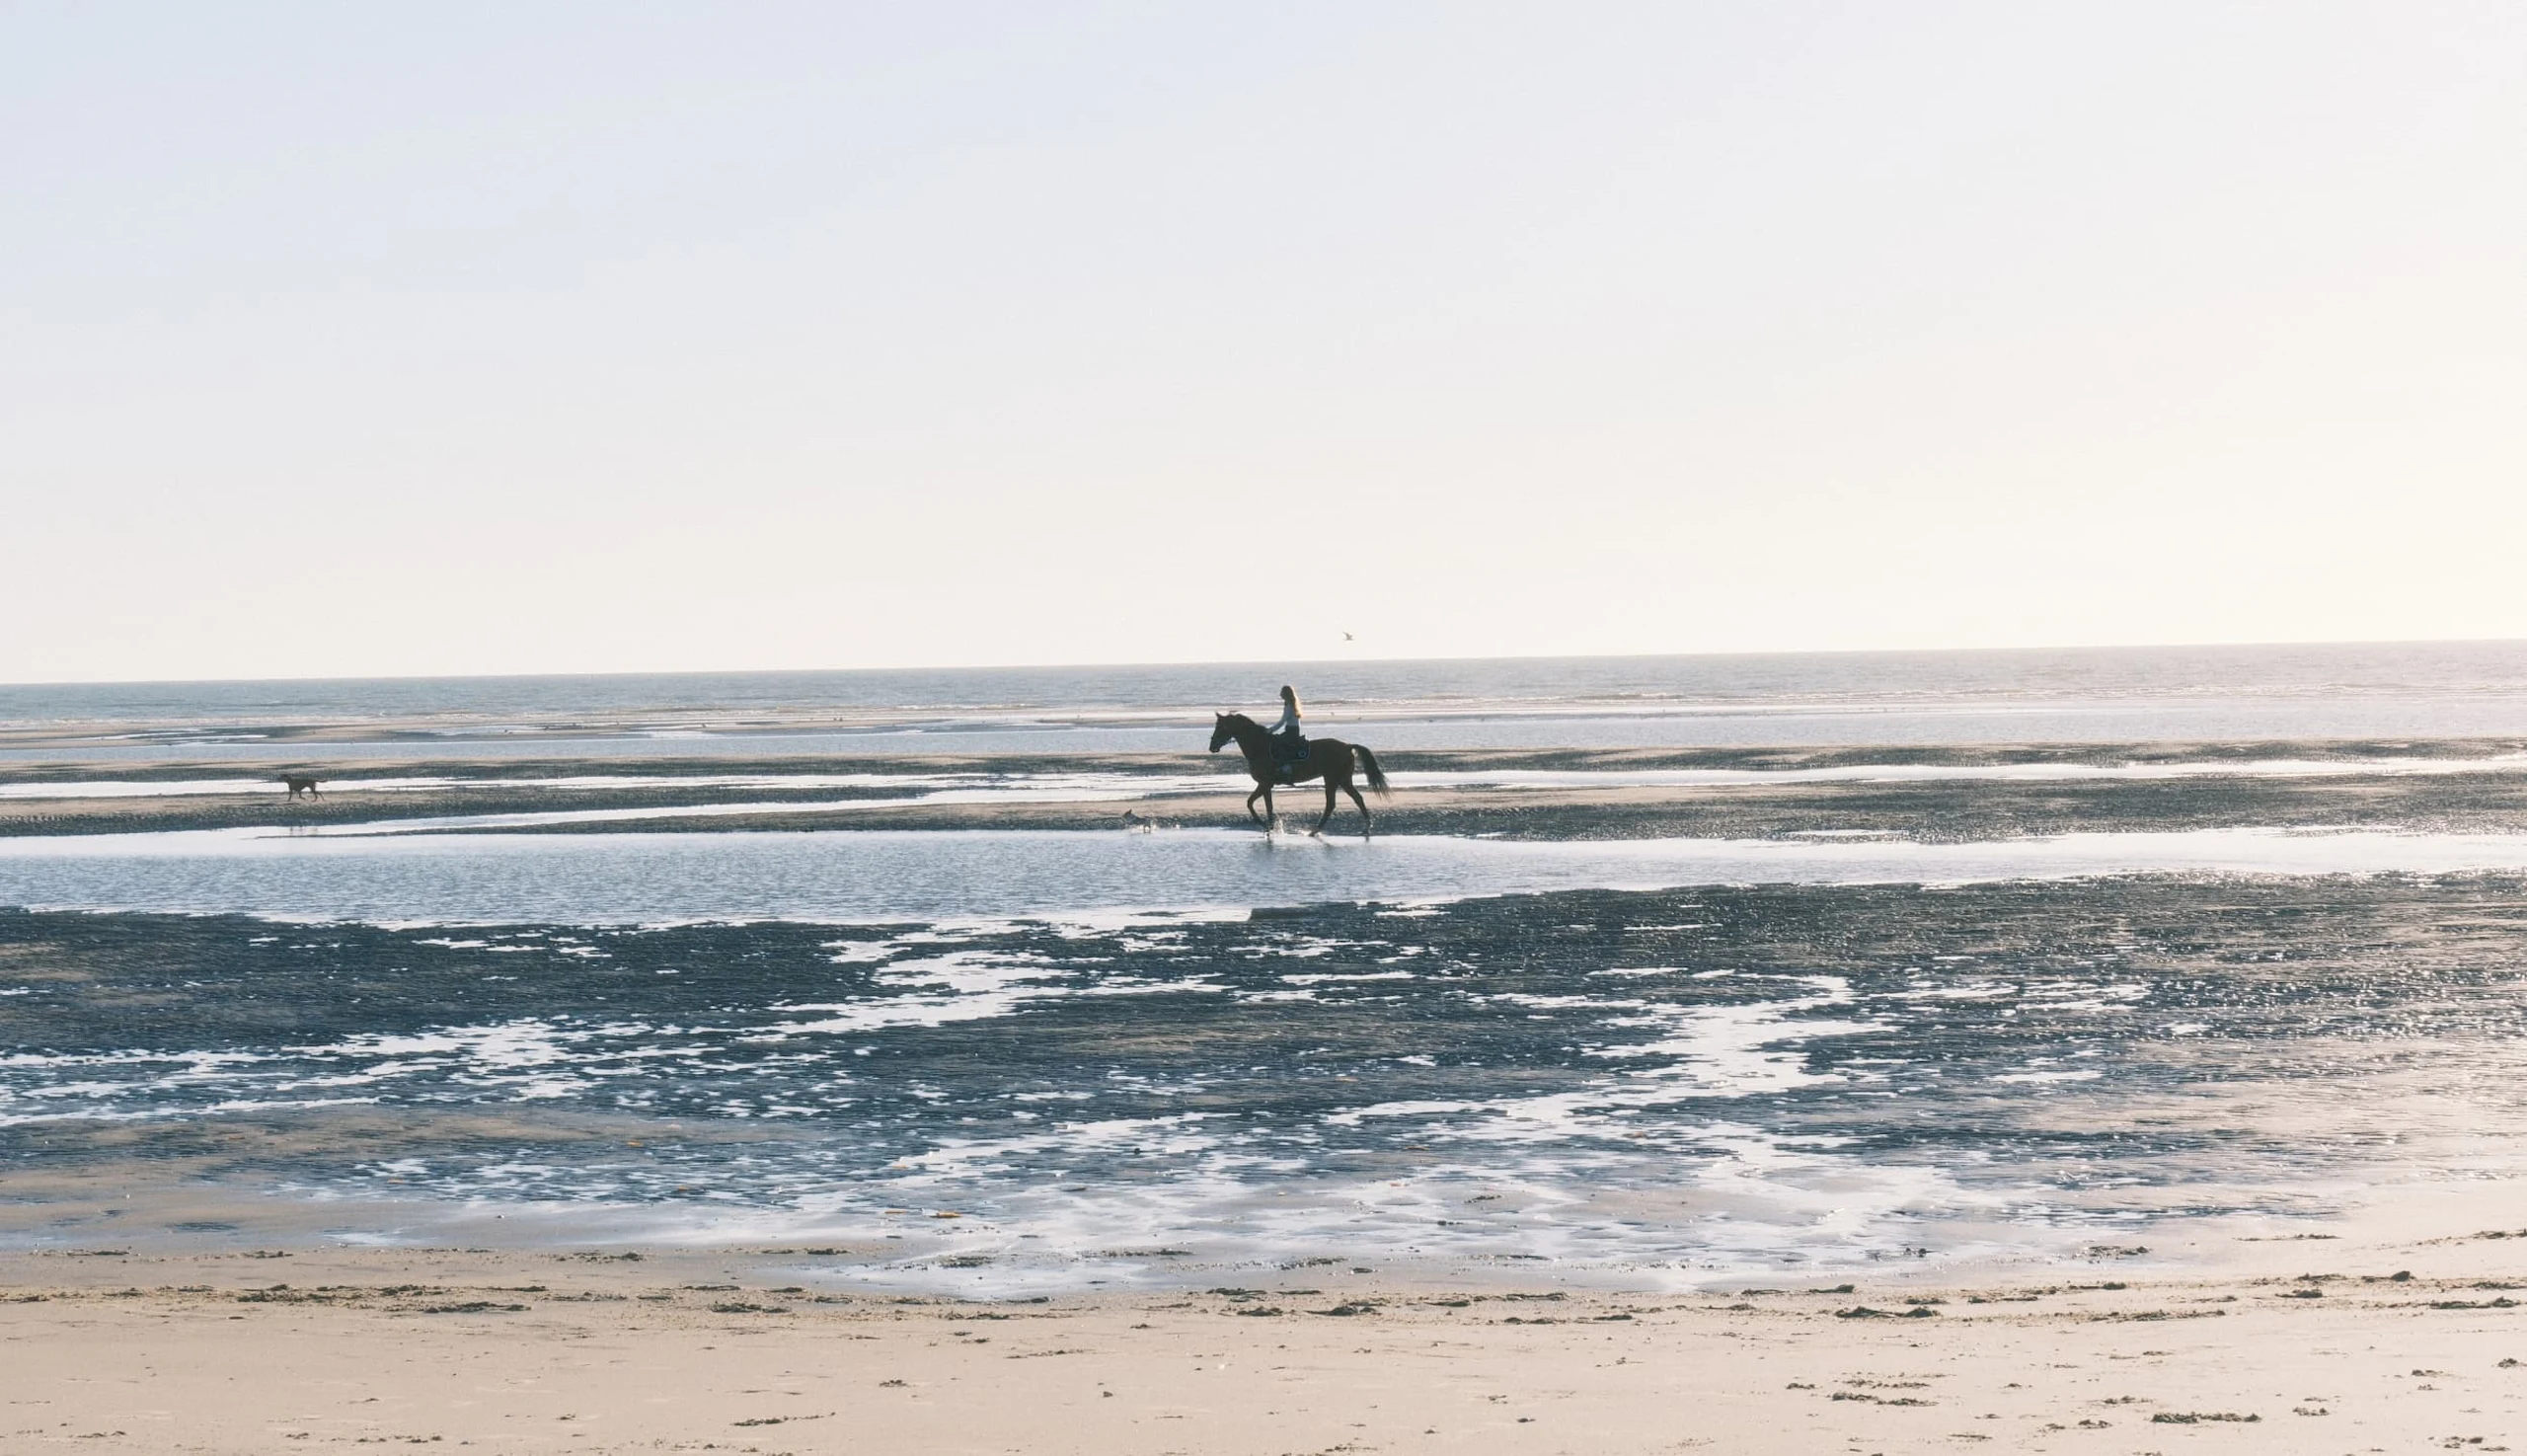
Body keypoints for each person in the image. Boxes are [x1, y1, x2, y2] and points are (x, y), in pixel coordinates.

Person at [1268, 685, 1306, 765]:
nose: (1280, 695)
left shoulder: (1289, 707)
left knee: (1277, 742)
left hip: (1291, 732)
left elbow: (1282, 722)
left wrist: (1271, 730)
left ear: (1285, 694)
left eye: (1281, 692)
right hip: (1293, 731)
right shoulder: (1292, 705)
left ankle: (1285, 765)